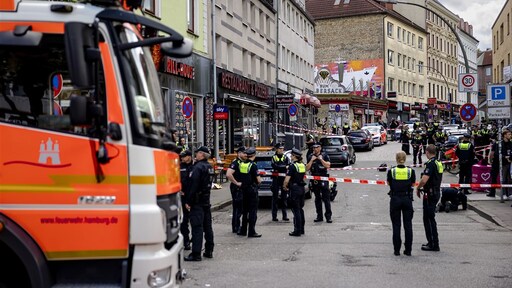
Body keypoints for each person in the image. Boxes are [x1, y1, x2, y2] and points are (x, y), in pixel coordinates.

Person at [184, 146, 215, 261]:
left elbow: (193, 186)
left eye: (197, 153)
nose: (195, 155)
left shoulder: (197, 168)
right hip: (206, 200)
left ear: (202, 154)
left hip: (197, 202)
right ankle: (209, 250)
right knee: (207, 227)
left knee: (197, 227)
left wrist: (188, 201)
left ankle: (196, 253)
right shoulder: (209, 167)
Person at [387, 151, 416, 256]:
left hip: (395, 198)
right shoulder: (410, 171)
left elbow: (389, 183)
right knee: (408, 225)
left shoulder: (392, 171)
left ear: (396, 159)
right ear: (405, 159)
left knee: (396, 225)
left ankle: (396, 250)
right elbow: (413, 183)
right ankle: (408, 250)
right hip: (407, 198)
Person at [416, 144, 443, 252]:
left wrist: (418, 188)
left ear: (427, 152)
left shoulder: (431, 164)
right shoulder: (438, 162)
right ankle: (432, 242)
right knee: (429, 218)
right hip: (435, 192)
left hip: (430, 194)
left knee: (428, 219)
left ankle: (433, 244)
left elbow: (424, 180)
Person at [237, 147, 262, 237]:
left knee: (245, 211)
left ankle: (243, 230)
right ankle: (251, 231)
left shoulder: (242, 164)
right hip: (252, 190)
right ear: (254, 155)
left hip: (244, 190)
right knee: (252, 212)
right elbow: (258, 180)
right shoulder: (253, 165)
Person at [283, 148, 307, 236]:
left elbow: (287, 179)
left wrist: (284, 186)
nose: (291, 157)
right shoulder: (302, 165)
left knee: (295, 210)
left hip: (294, 189)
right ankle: (302, 229)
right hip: (301, 188)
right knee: (300, 209)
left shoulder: (292, 166)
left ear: (294, 156)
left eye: (292, 156)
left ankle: (297, 230)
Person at [307, 142, 332, 223]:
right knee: (317, 199)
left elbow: (328, 165)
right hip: (314, 179)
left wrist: (321, 159)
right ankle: (319, 216)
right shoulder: (310, 156)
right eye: (314, 147)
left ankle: (328, 217)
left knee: (326, 199)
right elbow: (307, 168)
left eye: (317, 147)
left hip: (323, 178)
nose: (315, 149)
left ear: (320, 148)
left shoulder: (324, 155)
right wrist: (311, 160)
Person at [226, 146, 247, 233]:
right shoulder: (236, 162)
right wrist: (236, 182)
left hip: (241, 187)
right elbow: (228, 174)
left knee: (240, 207)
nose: (246, 154)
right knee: (237, 207)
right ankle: (236, 227)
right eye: (244, 153)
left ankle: (237, 226)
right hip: (237, 188)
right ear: (239, 154)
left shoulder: (243, 162)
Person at [488, 129, 512, 198]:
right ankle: (494, 192)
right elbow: (494, 153)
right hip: (497, 162)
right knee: (497, 178)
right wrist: (490, 161)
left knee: (508, 179)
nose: (510, 136)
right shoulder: (498, 143)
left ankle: (509, 194)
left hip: (507, 163)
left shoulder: (510, 143)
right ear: (504, 135)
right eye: (509, 134)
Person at [271, 143, 290, 222]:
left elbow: (288, 166)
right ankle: (274, 216)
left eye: (282, 149)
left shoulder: (285, 157)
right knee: (275, 198)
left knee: (284, 198)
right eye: (280, 149)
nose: (281, 150)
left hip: (283, 179)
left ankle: (284, 216)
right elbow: (274, 166)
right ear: (276, 149)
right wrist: (283, 167)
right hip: (276, 179)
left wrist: (280, 167)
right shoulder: (273, 157)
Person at [179, 150, 194, 251]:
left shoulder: (195, 166)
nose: (182, 158)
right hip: (183, 196)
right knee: (184, 221)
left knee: (195, 220)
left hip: (193, 196)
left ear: (189, 157)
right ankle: (186, 241)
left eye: (184, 157)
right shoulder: (180, 166)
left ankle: (195, 239)